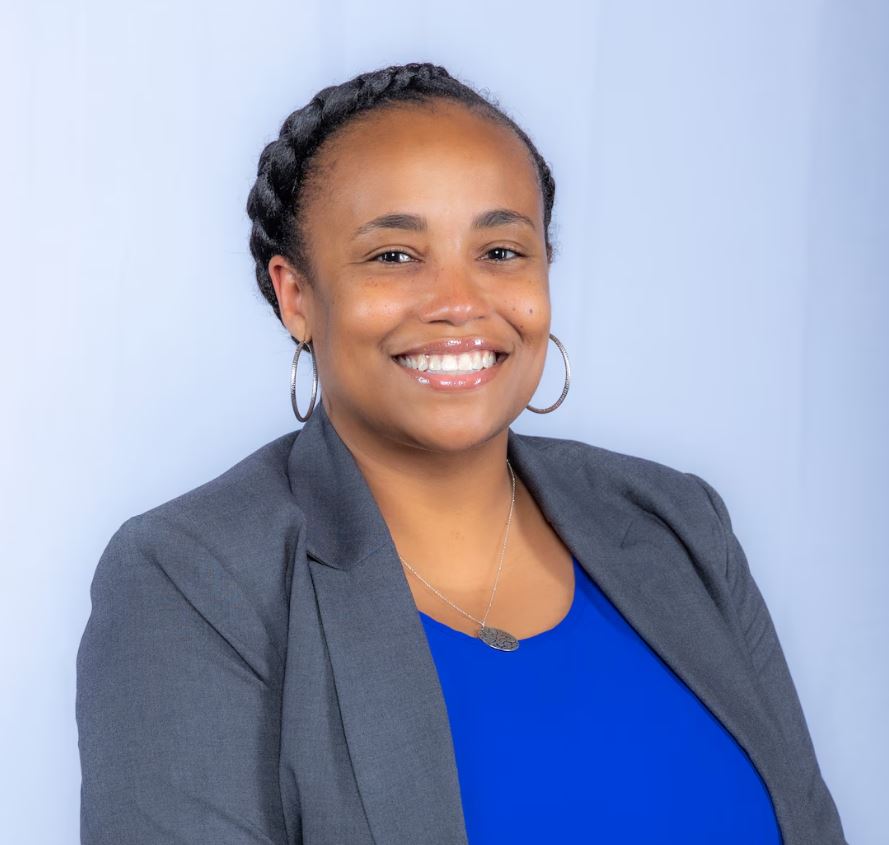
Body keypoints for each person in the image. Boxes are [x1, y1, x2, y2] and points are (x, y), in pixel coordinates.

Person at [75, 61, 848, 844]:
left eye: (501, 251)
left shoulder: (677, 522)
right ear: (296, 296)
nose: (459, 304)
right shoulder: (191, 577)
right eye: (394, 256)